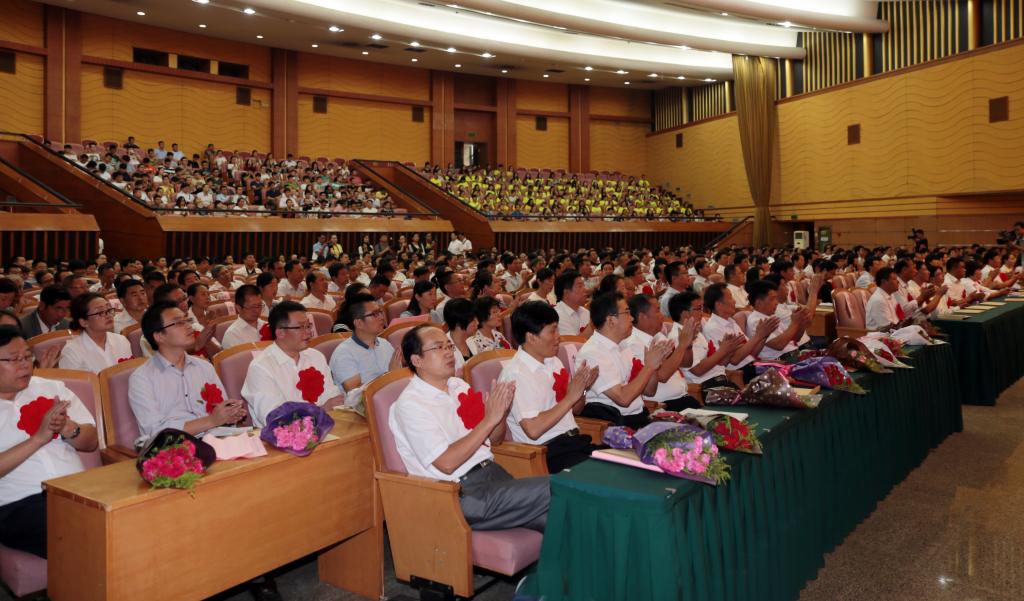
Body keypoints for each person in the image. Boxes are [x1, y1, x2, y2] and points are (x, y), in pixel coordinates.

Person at [389, 324, 548, 531]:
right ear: (417, 360)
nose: (449, 353)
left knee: (561, 519)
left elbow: (495, 439)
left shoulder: (458, 386)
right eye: (439, 348)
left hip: (493, 475)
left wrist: (499, 414)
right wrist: (489, 420)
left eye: (449, 346)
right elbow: (446, 463)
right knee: (560, 488)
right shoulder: (410, 405)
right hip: (461, 494)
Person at [0, 325, 98, 559]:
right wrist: (38, 439)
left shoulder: (50, 387)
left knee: (132, 518)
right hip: (19, 504)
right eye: (14, 359)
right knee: (89, 537)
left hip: (77, 489)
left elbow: (91, 442)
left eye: (27, 356)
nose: (25, 364)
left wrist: (68, 428)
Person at [497, 301, 599, 473]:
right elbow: (533, 430)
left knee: (625, 463)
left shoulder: (553, 361)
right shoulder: (516, 375)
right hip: (547, 453)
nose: (558, 336)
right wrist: (570, 397)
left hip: (573, 442)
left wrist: (582, 389)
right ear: (531, 337)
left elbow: (576, 410)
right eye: (552, 330)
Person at [129, 302, 247, 444]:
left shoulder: (205, 367)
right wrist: (211, 420)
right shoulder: (142, 378)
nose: (189, 326)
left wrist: (229, 415)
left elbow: (221, 409)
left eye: (187, 320)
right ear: (159, 336)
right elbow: (155, 432)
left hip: (217, 441)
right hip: (175, 450)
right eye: (178, 323)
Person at [575, 292, 672, 429]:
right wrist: (649, 366)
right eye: (627, 313)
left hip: (640, 416)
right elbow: (623, 399)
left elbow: (650, 391)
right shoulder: (592, 353)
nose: (632, 318)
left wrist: (654, 365)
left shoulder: (623, 345)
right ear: (610, 320)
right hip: (618, 425)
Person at [241, 301, 345, 427]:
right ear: (280, 333)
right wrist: (321, 410)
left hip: (325, 427)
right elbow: (275, 419)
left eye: (308, 326)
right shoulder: (260, 368)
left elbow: (332, 397)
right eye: (301, 327)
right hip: (281, 441)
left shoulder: (316, 356)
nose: (309, 332)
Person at [622, 294, 701, 411]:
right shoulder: (633, 344)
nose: (662, 316)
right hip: (662, 406)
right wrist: (682, 346)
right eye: (657, 311)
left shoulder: (659, 336)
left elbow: (685, 363)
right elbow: (662, 376)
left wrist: (688, 346)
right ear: (642, 317)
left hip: (684, 398)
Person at [329, 293, 401, 407]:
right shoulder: (343, 354)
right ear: (359, 323)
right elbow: (356, 396)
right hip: (361, 413)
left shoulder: (385, 344)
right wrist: (389, 375)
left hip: (392, 403)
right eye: (374, 314)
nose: (382, 317)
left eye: (380, 312)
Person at [668, 291, 744, 394]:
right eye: (698, 309)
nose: (702, 313)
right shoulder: (678, 337)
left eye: (702, 308)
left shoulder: (696, 331)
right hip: (706, 387)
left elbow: (721, 363)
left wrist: (729, 350)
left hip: (720, 380)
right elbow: (698, 370)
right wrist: (722, 351)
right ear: (685, 313)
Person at [701, 283, 775, 383]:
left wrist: (764, 335)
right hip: (741, 373)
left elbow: (753, 352)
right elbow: (735, 360)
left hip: (753, 365)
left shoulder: (731, 321)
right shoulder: (713, 328)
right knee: (784, 375)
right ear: (719, 304)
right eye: (731, 298)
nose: (734, 301)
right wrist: (758, 336)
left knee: (787, 370)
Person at [58, 292, 133, 373]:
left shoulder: (121, 340)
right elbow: (73, 385)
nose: (108, 315)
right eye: (100, 312)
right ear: (84, 322)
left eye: (108, 309)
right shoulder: (72, 352)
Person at [745, 280, 812, 360]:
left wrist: (802, 322)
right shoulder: (756, 320)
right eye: (772, 299)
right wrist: (794, 323)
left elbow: (795, 338)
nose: (776, 302)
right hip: (781, 361)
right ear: (759, 302)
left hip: (794, 355)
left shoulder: (771, 316)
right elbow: (779, 345)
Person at [221, 285, 266, 349]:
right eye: (252, 307)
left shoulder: (267, 325)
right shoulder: (232, 334)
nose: (257, 310)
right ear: (238, 308)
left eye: (259, 305)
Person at [554, 270, 592, 337]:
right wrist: (593, 324)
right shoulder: (557, 315)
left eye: (584, 285)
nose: (585, 289)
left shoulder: (585, 312)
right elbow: (572, 344)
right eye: (580, 286)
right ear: (566, 292)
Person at [443, 298, 478, 369]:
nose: (477, 323)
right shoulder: (444, 348)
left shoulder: (472, 340)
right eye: (473, 320)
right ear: (459, 323)